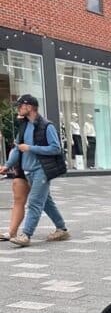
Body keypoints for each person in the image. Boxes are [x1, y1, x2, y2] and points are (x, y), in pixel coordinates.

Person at [6, 95, 69, 247]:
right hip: (28, 172)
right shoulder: (23, 126)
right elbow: (17, 149)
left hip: (42, 170)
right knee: (46, 202)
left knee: (34, 201)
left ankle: (26, 235)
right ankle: (62, 229)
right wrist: (7, 165)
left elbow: (55, 148)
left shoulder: (47, 126)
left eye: (20, 105)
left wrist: (31, 148)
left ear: (29, 107)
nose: (18, 108)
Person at [0, 143, 30, 241]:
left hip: (36, 168)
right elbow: (17, 149)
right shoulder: (21, 132)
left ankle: (61, 227)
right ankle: (12, 232)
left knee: (42, 202)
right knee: (18, 199)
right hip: (20, 167)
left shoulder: (43, 127)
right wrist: (7, 165)